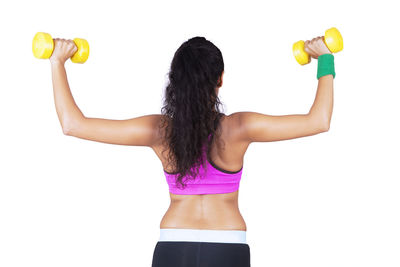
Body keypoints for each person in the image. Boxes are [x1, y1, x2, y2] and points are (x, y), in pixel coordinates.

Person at [49, 35, 334, 267]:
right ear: (220, 79)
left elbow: (73, 125)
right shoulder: (240, 127)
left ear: (174, 80)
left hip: (173, 245)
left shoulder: (159, 131)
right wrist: (324, 58)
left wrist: (57, 60)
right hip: (227, 246)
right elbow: (318, 121)